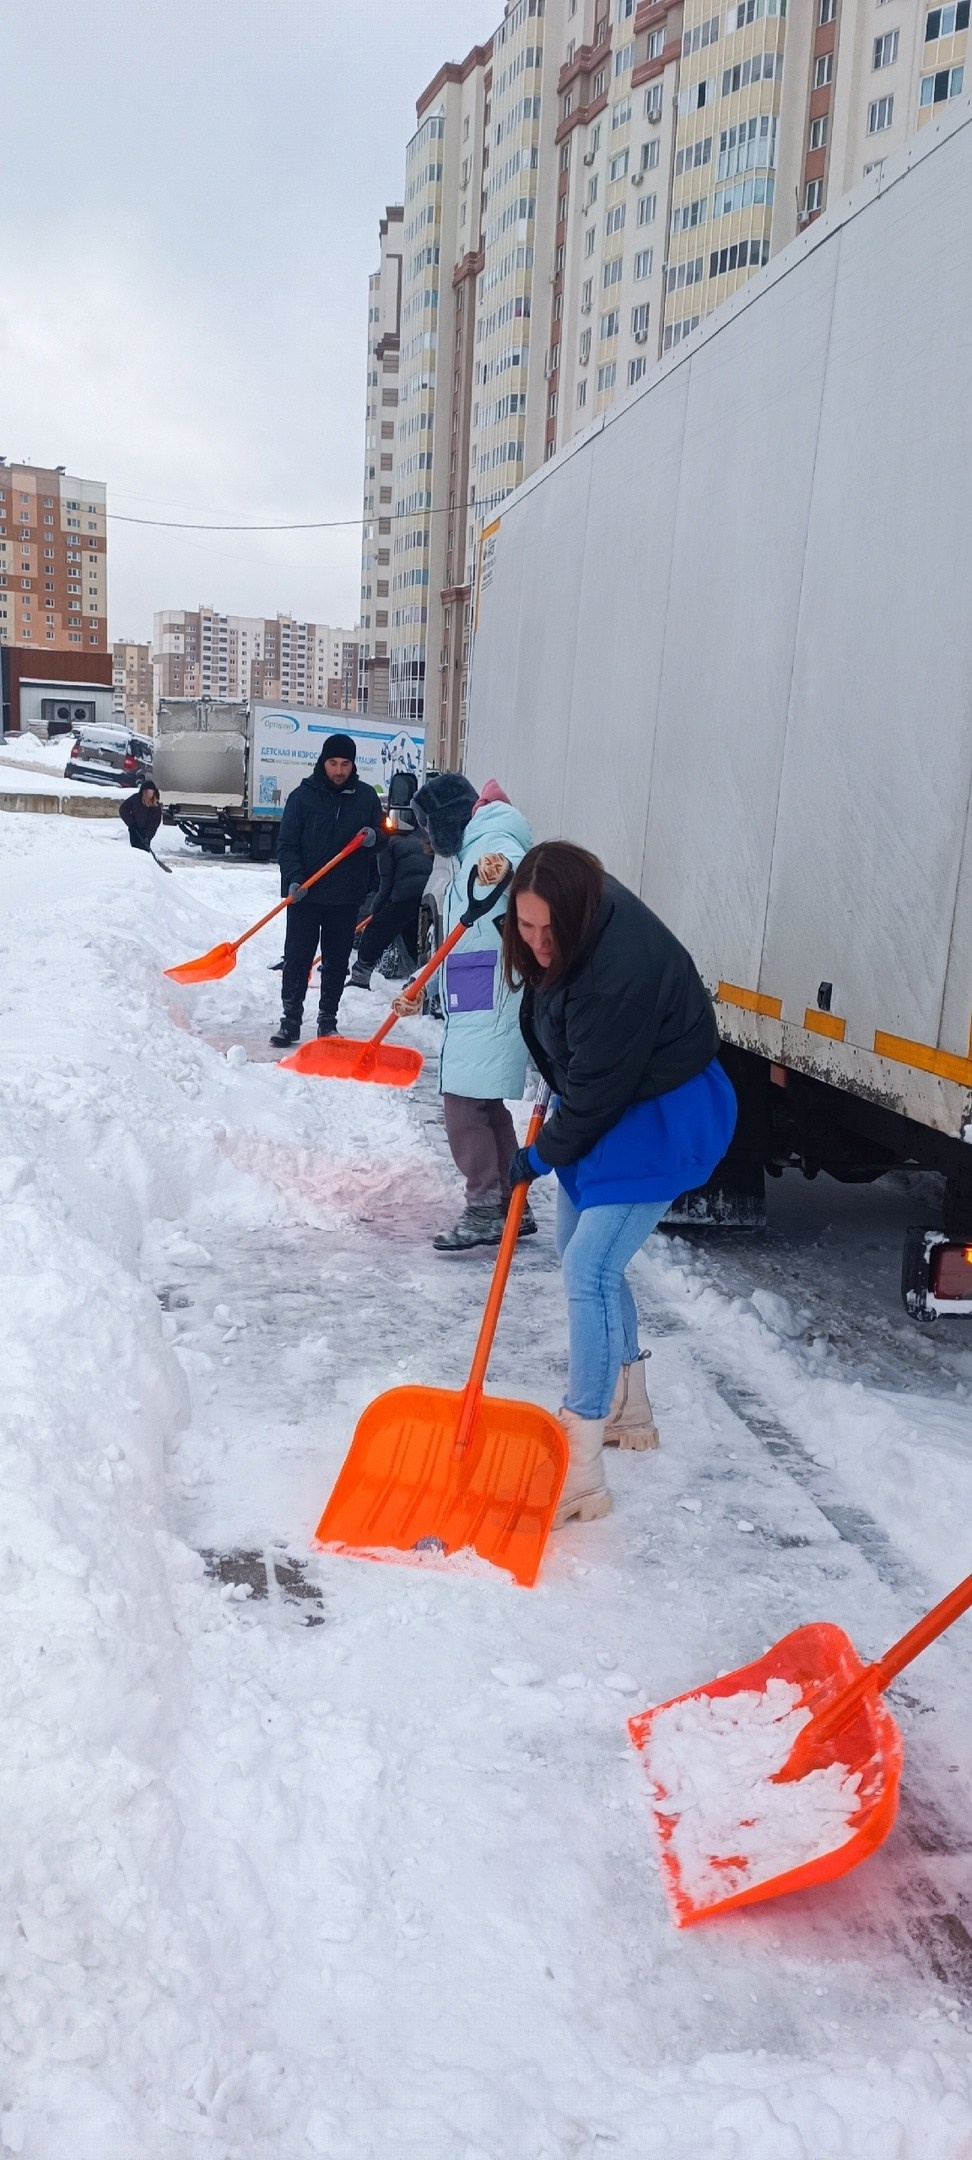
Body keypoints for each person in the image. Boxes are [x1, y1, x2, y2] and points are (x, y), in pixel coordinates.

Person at [503, 841, 737, 1527]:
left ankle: (581, 1470)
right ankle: (626, 1408)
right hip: (613, 1097)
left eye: (551, 932)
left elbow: (602, 1091)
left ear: (579, 916)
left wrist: (539, 1155)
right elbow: (573, 1037)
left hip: (663, 1110)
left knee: (589, 1267)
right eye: (526, 926)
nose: (538, 944)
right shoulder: (567, 918)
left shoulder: (618, 973)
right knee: (585, 1253)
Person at [393, 772, 535, 1252]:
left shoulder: (492, 840)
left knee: (461, 1109)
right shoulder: (476, 841)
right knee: (485, 1105)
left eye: (429, 828)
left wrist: (504, 870)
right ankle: (514, 1202)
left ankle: (483, 1208)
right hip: (478, 989)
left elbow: (512, 874)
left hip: (492, 993)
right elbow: (463, 934)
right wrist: (422, 987)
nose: (429, 839)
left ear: (448, 820)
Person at [271, 732, 382, 1047]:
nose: (338, 770)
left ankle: (327, 1022)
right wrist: (294, 878)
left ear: (353, 764)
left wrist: (375, 836)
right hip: (306, 894)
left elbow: (382, 834)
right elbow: (287, 844)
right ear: (323, 762)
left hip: (346, 897)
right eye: (333, 763)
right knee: (297, 958)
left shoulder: (365, 798)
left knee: (336, 961)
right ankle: (290, 1020)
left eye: (345, 763)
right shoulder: (302, 797)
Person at [349, 812, 433, 988]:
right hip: (429, 895)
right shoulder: (423, 837)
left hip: (405, 896)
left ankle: (360, 977)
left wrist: (375, 910)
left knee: (375, 931)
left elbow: (385, 884)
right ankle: (420, 981)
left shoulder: (388, 844)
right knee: (413, 937)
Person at [120, 780, 162, 852]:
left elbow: (155, 822)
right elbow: (123, 809)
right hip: (134, 830)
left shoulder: (155, 806)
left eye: (152, 792)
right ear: (144, 792)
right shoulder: (135, 799)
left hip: (146, 833)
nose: (150, 794)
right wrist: (131, 823)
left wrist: (148, 836)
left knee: (144, 850)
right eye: (148, 792)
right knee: (135, 850)